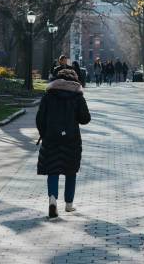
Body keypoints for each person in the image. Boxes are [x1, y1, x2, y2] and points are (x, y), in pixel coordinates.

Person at [36, 69, 91, 218]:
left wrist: (43, 132)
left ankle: (52, 200)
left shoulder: (48, 96)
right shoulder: (77, 96)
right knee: (70, 170)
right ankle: (69, 204)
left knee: (52, 169)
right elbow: (85, 118)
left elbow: (40, 118)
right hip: (71, 138)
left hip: (51, 138)